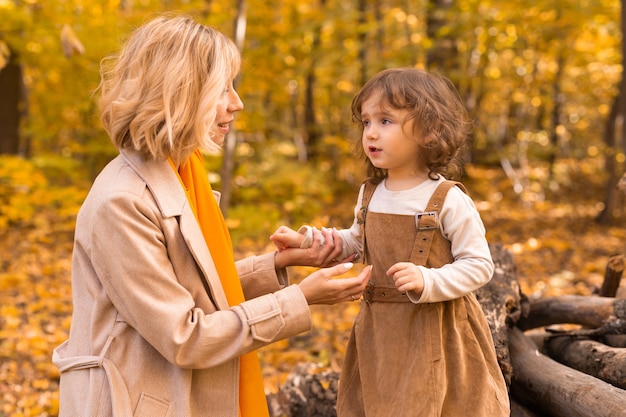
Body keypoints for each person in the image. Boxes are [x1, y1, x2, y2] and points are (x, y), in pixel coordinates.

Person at [51, 14, 370, 417]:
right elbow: (185, 335)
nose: (236, 103)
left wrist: (276, 265)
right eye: (222, 89)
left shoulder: (182, 172)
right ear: (179, 93)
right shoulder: (122, 201)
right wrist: (298, 300)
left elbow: (186, 286)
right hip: (134, 402)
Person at [271, 68, 510, 416]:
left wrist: (429, 280)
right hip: (380, 331)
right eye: (366, 122)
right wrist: (308, 240)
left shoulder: (447, 199)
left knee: (437, 403)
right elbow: (356, 241)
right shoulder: (370, 194)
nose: (371, 133)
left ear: (430, 130)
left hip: (436, 332)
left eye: (386, 121)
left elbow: (479, 265)